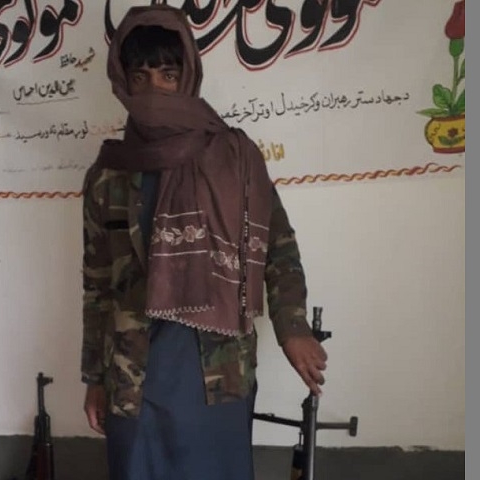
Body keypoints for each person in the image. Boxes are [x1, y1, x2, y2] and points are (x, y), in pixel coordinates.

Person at [80, 5, 327, 480]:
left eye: (168, 75)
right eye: (140, 76)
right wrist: (94, 378)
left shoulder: (235, 157)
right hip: (132, 377)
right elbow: (95, 287)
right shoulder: (108, 176)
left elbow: (278, 247)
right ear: (123, 81)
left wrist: (292, 327)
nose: (154, 90)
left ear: (188, 76)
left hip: (216, 373)